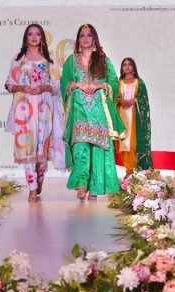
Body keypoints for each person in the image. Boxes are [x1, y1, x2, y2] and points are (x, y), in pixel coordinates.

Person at [61, 24, 126, 201]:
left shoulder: (104, 60)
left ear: (94, 38)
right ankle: (82, 185)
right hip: (79, 109)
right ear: (78, 39)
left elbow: (113, 82)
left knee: (98, 148)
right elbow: (64, 82)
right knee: (80, 146)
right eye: (82, 36)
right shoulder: (71, 61)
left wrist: (99, 85)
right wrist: (77, 85)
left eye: (89, 35)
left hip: (98, 111)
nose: (86, 38)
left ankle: (95, 187)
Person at [5, 24, 65, 201]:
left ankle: (39, 178)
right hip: (23, 107)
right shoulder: (18, 59)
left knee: (42, 147)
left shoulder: (50, 59)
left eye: (37, 34)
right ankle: (31, 188)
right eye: (30, 34)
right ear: (25, 37)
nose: (34, 37)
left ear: (42, 38)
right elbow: (9, 84)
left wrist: (44, 87)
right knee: (27, 147)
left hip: (44, 105)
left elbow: (57, 85)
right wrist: (21, 87)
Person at [115, 57, 153, 177]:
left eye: (129, 64)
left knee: (133, 144)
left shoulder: (139, 82)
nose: (127, 67)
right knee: (123, 144)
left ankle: (138, 172)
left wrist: (135, 100)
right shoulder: (118, 82)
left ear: (133, 67)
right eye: (124, 65)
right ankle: (129, 170)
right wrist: (120, 101)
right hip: (121, 117)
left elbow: (145, 100)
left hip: (135, 118)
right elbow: (112, 98)